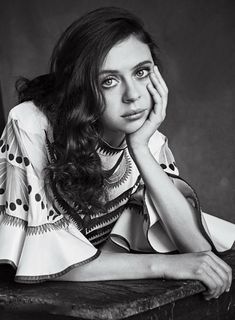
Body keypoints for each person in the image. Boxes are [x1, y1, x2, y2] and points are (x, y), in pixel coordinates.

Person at [0, 7, 234, 300]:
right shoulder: (30, 125)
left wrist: (139, 149)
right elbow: (46, 263)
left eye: (141, 72)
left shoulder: (148, 140)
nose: (133, 94)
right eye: (109, 81)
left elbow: (198, 253)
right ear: (81, 88)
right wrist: (163, 265)